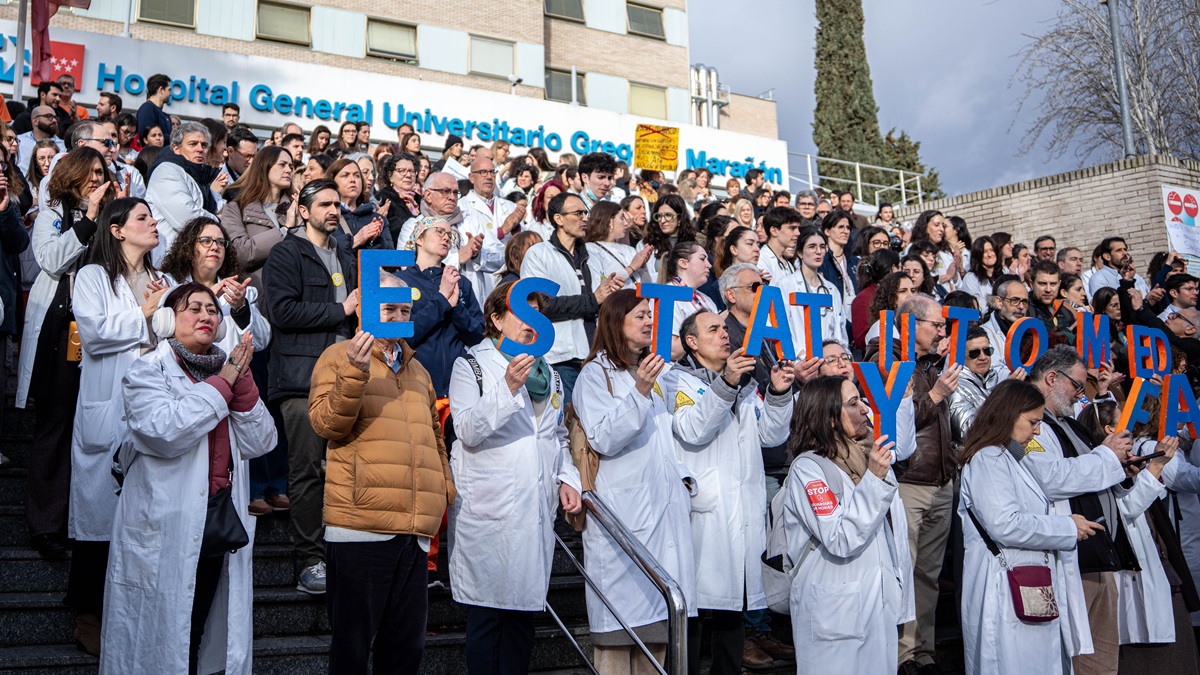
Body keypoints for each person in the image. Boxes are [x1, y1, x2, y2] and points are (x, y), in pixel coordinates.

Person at [102, 283, 276, 674]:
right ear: (168, 320)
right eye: (193, 309)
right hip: (164, 528)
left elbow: (262, 440)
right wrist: (225, 382)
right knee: (159, 641)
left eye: (212, 310)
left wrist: (242, 384)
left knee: (197, 633)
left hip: (213, 527)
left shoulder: (229, 374)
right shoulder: (146, 370)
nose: (206, 316)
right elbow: (166, 431)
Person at [307, 273, 455, 673]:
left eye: (404, 310)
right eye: (388, 308)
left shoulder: (419, 371)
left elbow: (435, 440)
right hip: (361, 526)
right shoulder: (338, 357)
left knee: (405, 652)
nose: (397, 317)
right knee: (352, 650)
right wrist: (355, 372)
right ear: (367, 310)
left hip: (414, 530)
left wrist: (443, 490)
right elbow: (326, 425)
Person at [447, 281, 583, 674]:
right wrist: (507, 387)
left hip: (532, 511)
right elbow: (468, 429)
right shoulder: (470, 365)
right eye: (523, 312)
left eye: (539, 312)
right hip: (490, 512)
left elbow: (555, 436)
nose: (532, 321)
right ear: (496, 319)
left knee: (522, 621)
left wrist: (568, 478)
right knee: (489, 620)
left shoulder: (551, 376)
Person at [662, 310, 793, 674]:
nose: (725, 334)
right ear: (692, 341)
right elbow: (692, 430)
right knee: (694, 615)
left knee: (731, 613)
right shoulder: (675, 381)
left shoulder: (746, 385)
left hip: (741, 514)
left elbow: (771, 436)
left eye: (725, 328)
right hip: (703, 513)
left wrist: (779, 394)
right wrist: (727, 385)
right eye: (714, 329)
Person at [574, 289, 697, 673]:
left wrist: (684, 481)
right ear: (615, 323)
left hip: (661, 520)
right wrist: (640, 390)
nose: (649, 322)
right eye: (640, 316)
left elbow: (666, 441)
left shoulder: (655, 372)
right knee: (618, 650)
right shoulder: (594, 375)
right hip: (623, 522)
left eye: (650, 315)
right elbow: (603, 438)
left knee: (655, 656)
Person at [72, 197, 171, 654]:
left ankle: (133, 616)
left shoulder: (161, 280)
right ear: (116, 230)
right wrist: (145, 315)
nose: (154, 224)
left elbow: (173, 331)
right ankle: (89, 614)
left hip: (152, 406)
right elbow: (92, 332)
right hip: (108, 408)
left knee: (144, 520)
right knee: (100, 518)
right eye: (142, 218)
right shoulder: (92, 276)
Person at [958, 379, 1104, 675]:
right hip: (1002, 585)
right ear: (1009, 415)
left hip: (1028, 579)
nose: (1038, 431)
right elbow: (1005, 524)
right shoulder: (989, 458)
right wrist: (1065, 527)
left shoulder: (1011, 458)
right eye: (1033, 422)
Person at [263, 178, 360, 595]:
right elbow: (282, 312)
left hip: (348, 377)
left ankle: (342, 552)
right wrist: (341, 309)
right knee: (305, 472)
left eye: (337, 204)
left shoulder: (347, 255)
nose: (334, 210)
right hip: (302, 381)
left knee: (346, 470)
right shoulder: (286, 253)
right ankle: (310, 560)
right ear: (303, 211)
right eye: (324, 204)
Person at [16, 147, 113, 564]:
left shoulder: (110, 213)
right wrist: (89, 218)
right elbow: (51, 260)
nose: (97, 178)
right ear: (72, 173)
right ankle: (45, 525)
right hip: (59, 332)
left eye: (101, 171)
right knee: (55, 428)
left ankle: (80, 522)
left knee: (87, 430)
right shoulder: (54, 208)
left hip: (99, 333)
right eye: (90, 171)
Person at [778, 375, 913, 675]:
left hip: (875, 607)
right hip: (834, 613)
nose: (865, 409)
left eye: (862, 400)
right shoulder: (809, 469)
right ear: (828, 417)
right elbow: (841, 538)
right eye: (853, 403)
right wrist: (874, 480)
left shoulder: (870, 457)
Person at [1023, 346, 1136, 673]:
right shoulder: (1032, 423)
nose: (1078, 393)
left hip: (1098, 551)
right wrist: (1106, 457)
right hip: (1070, 554)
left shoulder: (1065, 422)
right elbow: (1050, 478)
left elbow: (1091, 469)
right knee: (1075, 659)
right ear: (1052, 378)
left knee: (1102, 660)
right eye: (1076, 384)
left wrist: (1120, 468)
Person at [865, 294, 961, 674]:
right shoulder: (885, 359)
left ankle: (924, 649)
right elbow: (890, 418)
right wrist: (936, 395)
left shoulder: (929, 363)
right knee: (904, 570)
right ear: (911, 325)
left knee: (929, 573)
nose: (942, 330)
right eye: (936, 324)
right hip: (909, 479)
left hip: (939, 479)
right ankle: (902, 655)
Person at [521, 192, 622, 404]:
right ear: (558, 219)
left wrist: (611, 294)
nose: (585, 217)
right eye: (578, 213)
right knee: (566, 425)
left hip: (597, 357)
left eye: (586, 212)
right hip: (561, 358)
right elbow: (540, 306)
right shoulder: (539, 254)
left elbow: (600, 301)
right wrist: (593, 300)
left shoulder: (593, 255)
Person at [395, 214, 485, 400]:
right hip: (415, 386)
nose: (446, 237)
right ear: (419, 238)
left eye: (449, 234)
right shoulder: (400, 283)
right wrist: (442, 300)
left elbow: (478, 335)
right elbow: (402, 337)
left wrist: (457, 308)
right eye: (439, 232)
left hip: (458, 389)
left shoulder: (461, 283)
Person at [220, 145, 297, 298]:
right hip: (259, 295)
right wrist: (284, 230)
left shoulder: (296, 210)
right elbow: (240, 253)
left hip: (295, 296)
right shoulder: (236, 208)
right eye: (282, 165)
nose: (289, 170)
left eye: (291, 166)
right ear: (264, 167)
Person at [146, 121, 224, 262]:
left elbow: (223, 207)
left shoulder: (202, 177)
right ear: (176, 148)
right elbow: (187, 217)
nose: (200, 149)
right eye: (193, 144)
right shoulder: (166, 171)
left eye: (204, 145)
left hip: (195, 262)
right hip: (168, 262)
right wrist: (218, 219)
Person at [457, 156, 522, 304]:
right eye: (483, 172)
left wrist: (516, 228)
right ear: (471, 178)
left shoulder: (510, 207)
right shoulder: (462, 208)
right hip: (478, 279)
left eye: (492, 172)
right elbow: (472, 248)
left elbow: (521, 246)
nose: (489, 176)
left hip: (508, 279)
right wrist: (502, 230)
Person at [778, 226, 849, 358]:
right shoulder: (786, 285)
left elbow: (840, 330)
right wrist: (800, 355)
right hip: (799, 360)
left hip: (829, 363)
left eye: (822, 247)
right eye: (812, 246)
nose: (818, 251)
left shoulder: (831, 289)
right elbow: (781, 327)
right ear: (799, 252)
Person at [950, 326, 1016, 447]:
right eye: (974, 353)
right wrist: (1004, 395)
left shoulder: (996, 378)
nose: (983, 357)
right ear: (960, 355)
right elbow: (969, 432)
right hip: (973, 458)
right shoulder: (954, 386)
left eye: (987, 351)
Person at [662, 241, 717, 360]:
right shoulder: (667, 295)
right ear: (683, 263)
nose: (709, 265)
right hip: (677, 373)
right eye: (702, 259)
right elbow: (671, 350)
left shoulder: (707, 300)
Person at [325, 157, 391, 250]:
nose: (353, 180)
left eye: (357, 175)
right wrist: (356, 240)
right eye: (345, 175)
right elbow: (321, 250)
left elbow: (391, 258)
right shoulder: (325, 215)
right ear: (332, 181)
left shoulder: (376, 219)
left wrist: (375, 240)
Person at [585, 201, 653, 291]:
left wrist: (643, 266)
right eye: (621, 218)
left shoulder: (630, 250)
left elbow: (648, 288)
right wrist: (631, 268)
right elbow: (598, 287)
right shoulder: (591, 249)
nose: (626, 223)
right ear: (609, 221)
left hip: (639, 303)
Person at [851, 249, 900, 351]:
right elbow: (861, 339)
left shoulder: (898, 294)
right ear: (893, 268)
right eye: (900, 267)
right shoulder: (864, 298)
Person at [376, 153, 422, 245]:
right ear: (390, 176)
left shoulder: (421, 200)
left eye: (412, 171)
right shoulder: (383, 198)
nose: (408, 175)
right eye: (402, 170)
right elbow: (391, 228)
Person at [757, 207, 802, 284]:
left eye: (797, 228)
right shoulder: (761, 259)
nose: (798, 233)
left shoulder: (788, 264)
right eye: (792, 228)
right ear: (774, 231)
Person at [16, 105, 65, 174]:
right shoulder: (18, 141)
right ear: (35, 120)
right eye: (49, 116)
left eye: (55, 117)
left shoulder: (63, 146)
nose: (54, 120)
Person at [959, 235, 1003, 310]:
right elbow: (976, 305)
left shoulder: (1004, 272)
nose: (990, 255)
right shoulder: (971, 278)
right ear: (978, 255)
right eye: (985, 252)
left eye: (992, 250)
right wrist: (996, 302)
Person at [136, 73, 173, 141]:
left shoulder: (165, 116)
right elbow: (145, 134)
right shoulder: (147, 108)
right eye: (169, 90)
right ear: (161, 89)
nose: (171, 94)